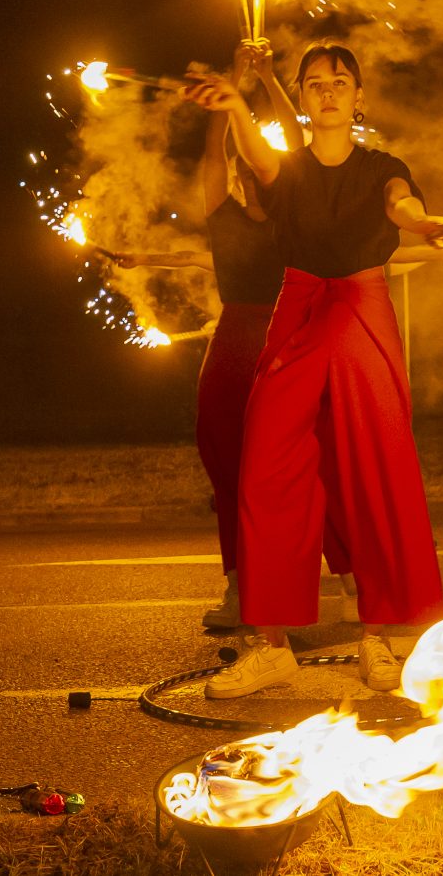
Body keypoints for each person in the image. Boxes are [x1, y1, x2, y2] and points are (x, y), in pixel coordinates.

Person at [185, 41, 443, 699]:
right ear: (303, 99)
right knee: (263, 465)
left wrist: (424, 222)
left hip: (361, 306)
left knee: (370, 470)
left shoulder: (382, 166)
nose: (328, 91)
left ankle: (378, 641)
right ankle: (271, 644)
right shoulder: (291, 171)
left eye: (340, 82)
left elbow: (400, 203)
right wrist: (233, 106)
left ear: (357, 97)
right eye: (315, 84)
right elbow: (259, 159)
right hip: (301, 307)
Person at [115, 40, 358, 628]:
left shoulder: (291, 217)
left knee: (309, 461)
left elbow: (298, 149)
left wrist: (269, 79)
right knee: (226, 462)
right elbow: (210, 163)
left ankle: (351, 585)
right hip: (231, 349)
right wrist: (228, 92)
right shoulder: (222, 217)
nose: (249, 175)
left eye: (257, 170)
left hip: (285, 342)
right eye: (242, 170)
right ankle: (238, 588)